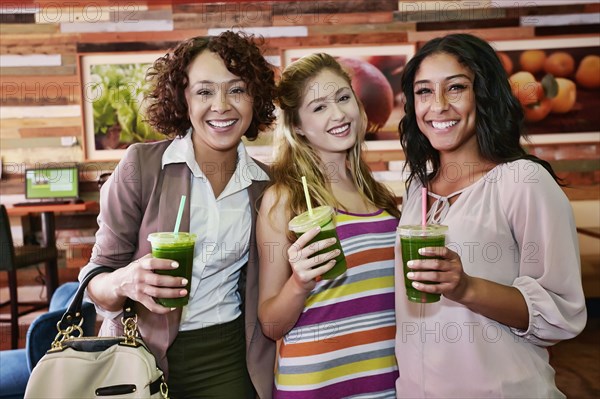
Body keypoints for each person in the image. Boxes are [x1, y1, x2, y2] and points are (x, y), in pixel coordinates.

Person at [79, 31, 277, 399]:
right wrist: (124, 282)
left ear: (255, 98)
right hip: (137, 357)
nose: (222, 105)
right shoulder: (142, 166)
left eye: (236, 89)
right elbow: (97, 283)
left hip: (229, 359)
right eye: (204, 91)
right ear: (182, 99)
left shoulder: (266, 185)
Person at [395, 33, 587, 398]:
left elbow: (562, 313)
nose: (438, 105)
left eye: (455, 88)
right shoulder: (418, 190)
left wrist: (465, 287)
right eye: (423, 91)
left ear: (483, 95)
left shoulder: (522, 182)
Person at [257, 53, 402, 399]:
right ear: (297, 127)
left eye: (342, 98)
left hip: (387, 385)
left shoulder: (380, 197)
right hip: (315, 386)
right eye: (318, 107)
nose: (338, 114)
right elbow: (271, 324)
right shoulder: (283, 200)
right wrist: (299, 283)